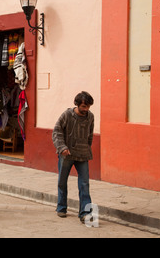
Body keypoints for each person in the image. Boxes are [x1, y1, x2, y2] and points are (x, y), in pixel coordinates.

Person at [52, 91, 95, 223]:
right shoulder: (67, 115)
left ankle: (85, 213)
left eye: (88, 107)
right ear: (76, 104)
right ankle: (61, 207)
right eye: (83, 106)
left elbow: (90, 135)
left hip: (83, 154)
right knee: (62, 181)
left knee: (84, 184)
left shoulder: (91, 116)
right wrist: (62, 148)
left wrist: (87, 148)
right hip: (67, 154)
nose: (86, 109)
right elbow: (57, 131)